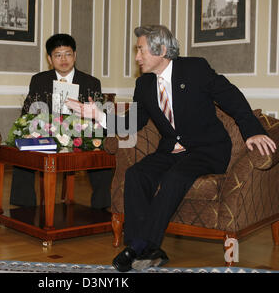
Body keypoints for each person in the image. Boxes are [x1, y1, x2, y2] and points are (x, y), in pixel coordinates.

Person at [66, 25, 277, 272]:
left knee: (175, 177)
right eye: (137, 51)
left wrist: (253, 131)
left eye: (141, 50)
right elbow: (133, 123)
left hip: (208, 149)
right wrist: (99, 115)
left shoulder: (195, 68)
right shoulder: (144, 84)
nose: (136, 57)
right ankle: (148, 251)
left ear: (162, 50)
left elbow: (232, 97)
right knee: (136, 175)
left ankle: (138, 247)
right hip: (171, 151)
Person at [9, 33, 112, 209]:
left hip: (81, 136)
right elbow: (27, 113)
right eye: (58, 55)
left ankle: (100, 210)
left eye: (68, 53)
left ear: (75, 55)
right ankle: (25, 209)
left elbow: (98, 117)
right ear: (50, 58)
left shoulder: (91, 82)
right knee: (23, 151)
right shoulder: (39, 80)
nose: (63, 59)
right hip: (47, 136)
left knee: (102, 154)